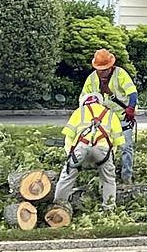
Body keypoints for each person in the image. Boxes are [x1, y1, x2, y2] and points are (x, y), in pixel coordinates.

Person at [53, 92, 126, 210]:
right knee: (108, 180)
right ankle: (109, 207)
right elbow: (116, 143)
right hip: (103, 149)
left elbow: (69, 137)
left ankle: (59, 206)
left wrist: (70, 156)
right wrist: (109, 157)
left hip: (81, 147)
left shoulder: (79, 112)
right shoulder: (111, 114)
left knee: (67, 177)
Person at [81, 48, 138, 184]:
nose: (102, 72)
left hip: (122, 116)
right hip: (102, 118)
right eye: (100, 69)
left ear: (111, 66)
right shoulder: (92, 78)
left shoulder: (120, 74)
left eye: (105, 69)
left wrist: (131, 107)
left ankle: (126, 177)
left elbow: (132, 92)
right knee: (101, 147)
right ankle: (104, 177)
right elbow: (84, 98)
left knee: (126, 146)